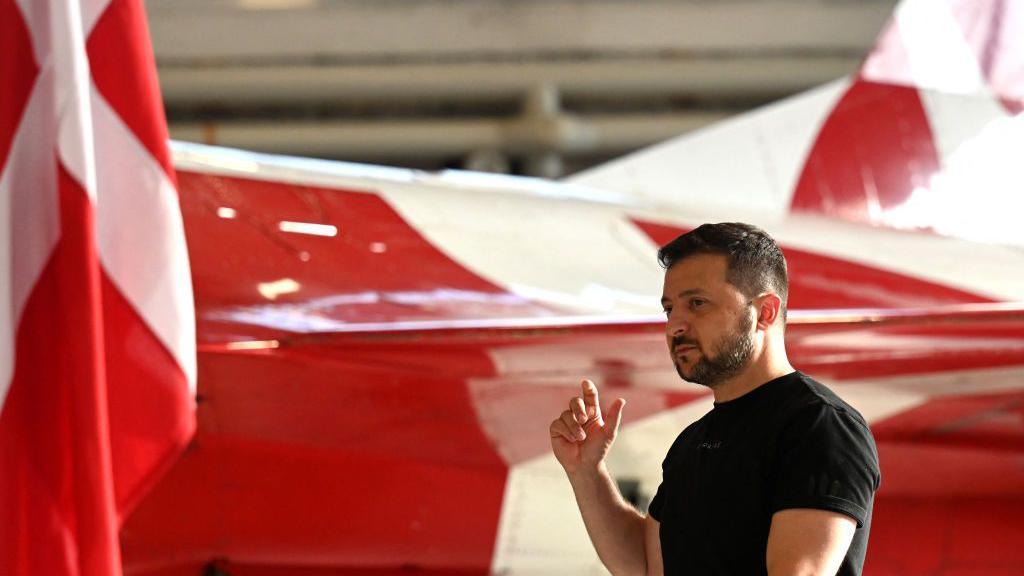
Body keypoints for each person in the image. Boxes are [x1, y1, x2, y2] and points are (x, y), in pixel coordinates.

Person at [549, 222, 880, 575]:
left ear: (765, 313)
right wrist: (586, 472)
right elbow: (647, 567)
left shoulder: (820, 427)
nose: (675, 325)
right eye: (669, 309)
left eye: (697, 303)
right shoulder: (693, 443)